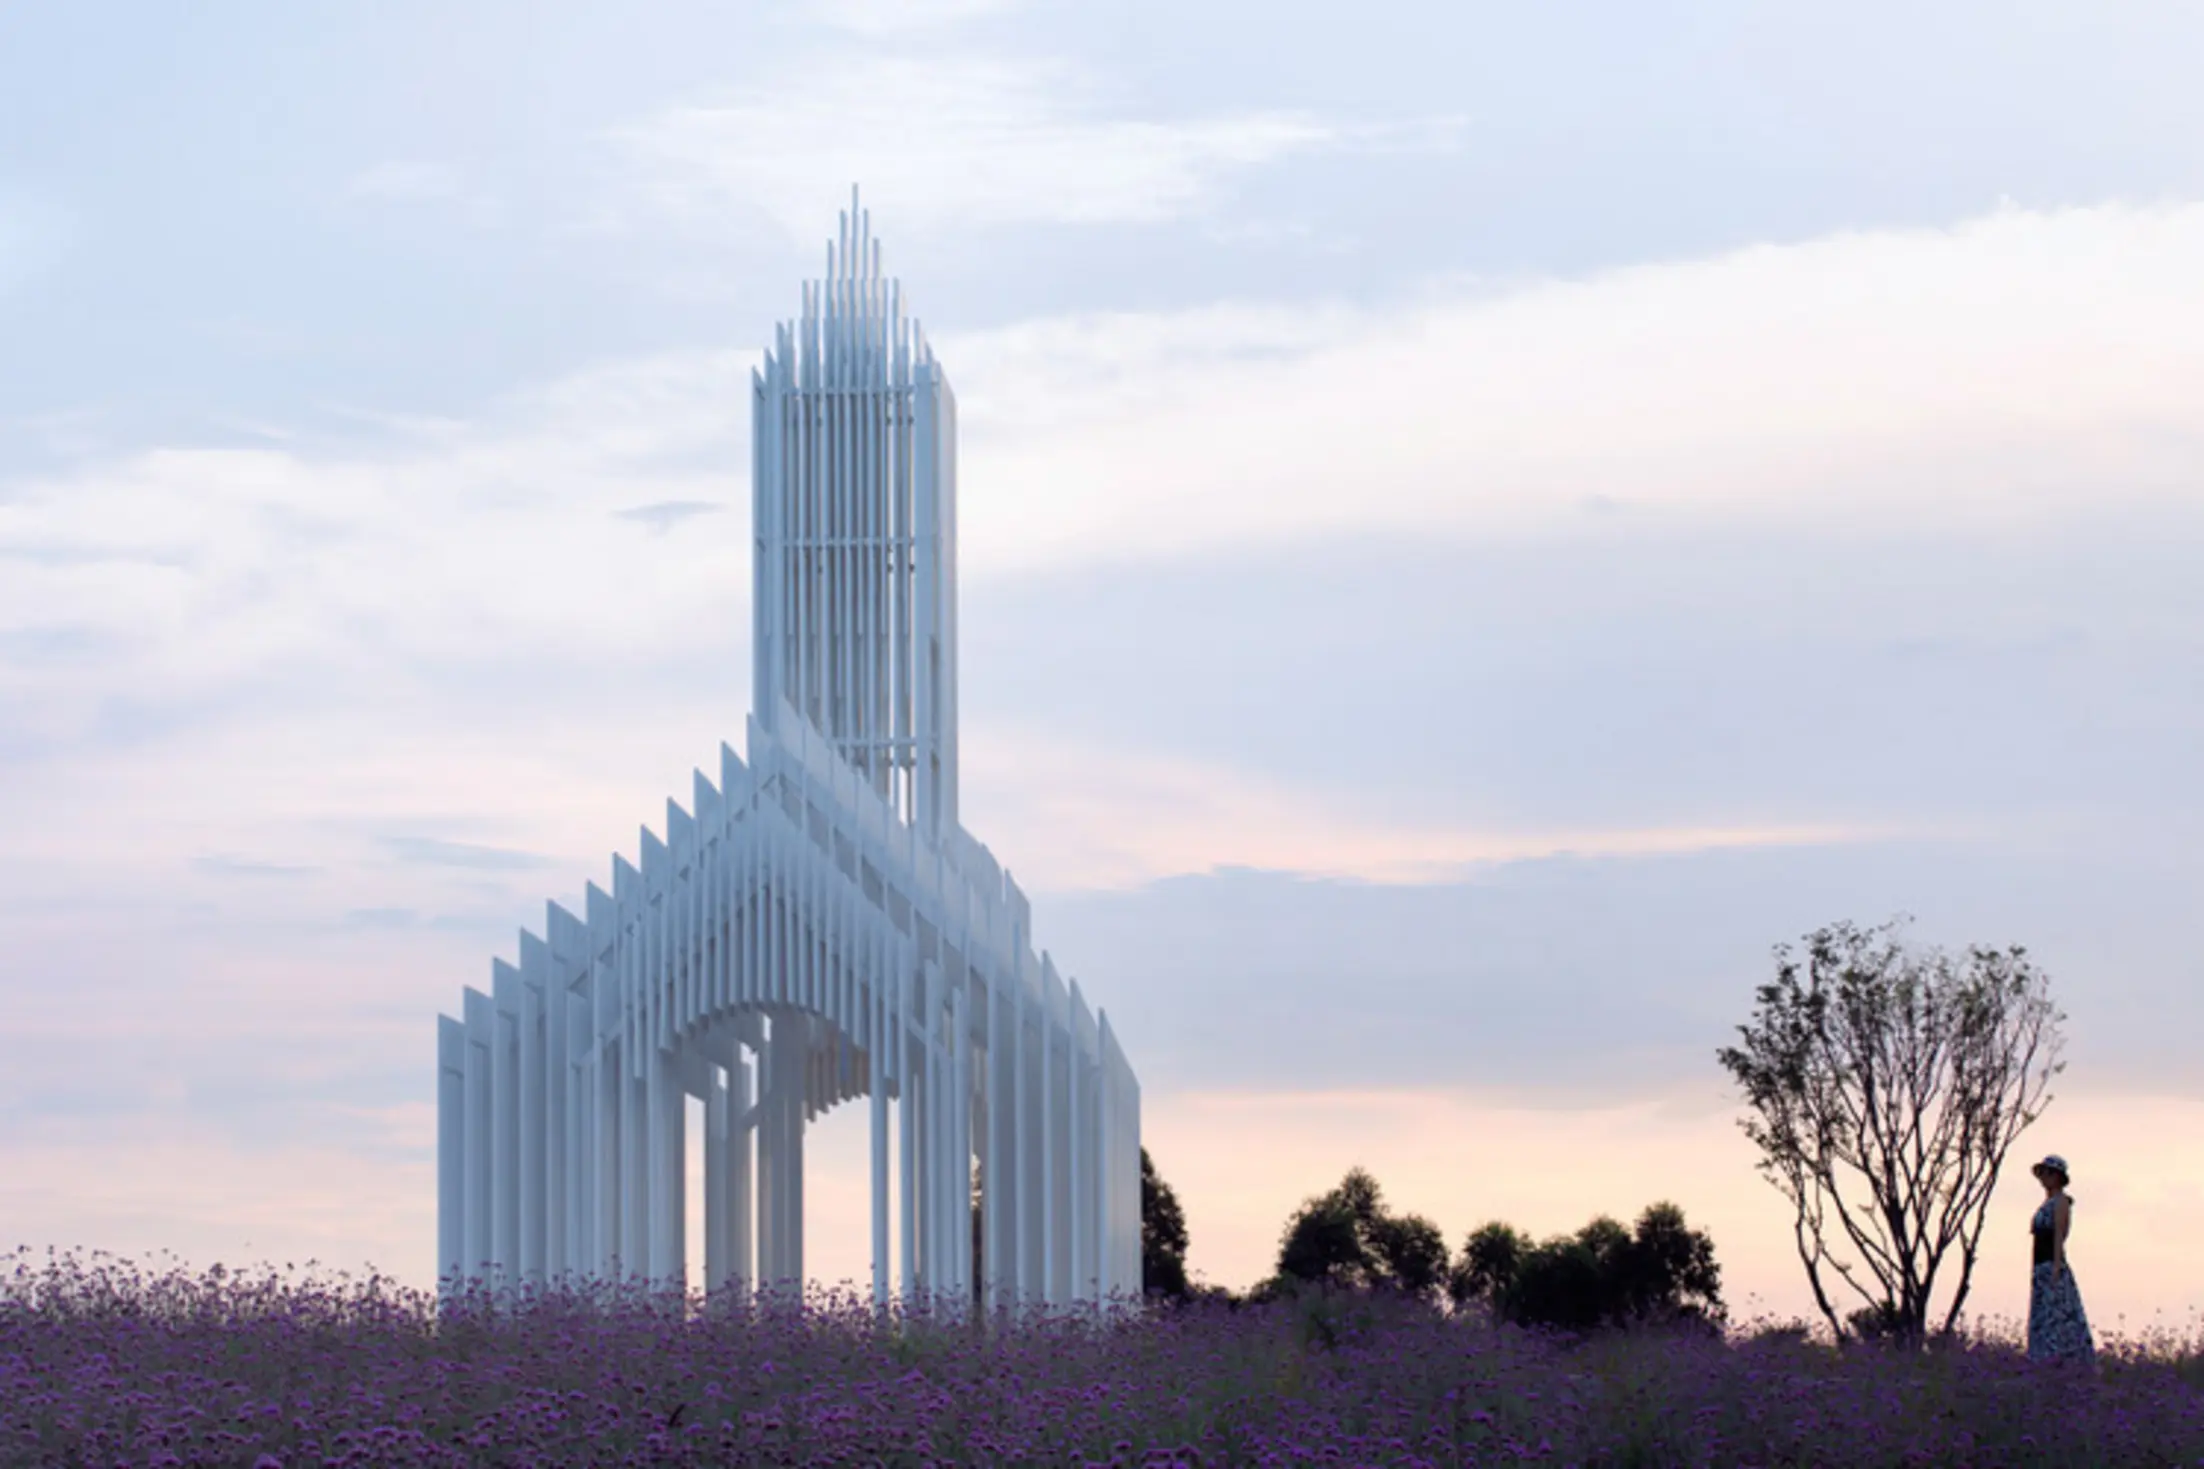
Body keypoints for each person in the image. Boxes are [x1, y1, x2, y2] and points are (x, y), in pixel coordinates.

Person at [2026, 1153, 2094, 1365]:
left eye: (2048, 1173)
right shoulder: (2046, 1203)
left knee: (2057, 1312)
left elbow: (2059, 1235)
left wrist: (2056, 1265)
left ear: (2057, 1176)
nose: (2044, 1178)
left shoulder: (2061, 1202)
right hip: (2040, 1266)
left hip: (2050, 1265)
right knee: (2043, 1315)